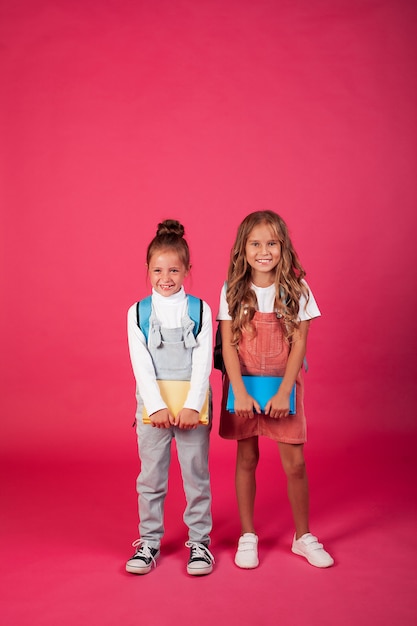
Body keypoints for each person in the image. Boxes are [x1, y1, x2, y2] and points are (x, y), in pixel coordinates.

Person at [218, 210, 333, 569]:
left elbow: (299, 345)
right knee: (247, 459)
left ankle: (303, 537)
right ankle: (248, 534)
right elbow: (228, 346)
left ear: (283, 247)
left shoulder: (297, 289)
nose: (263, 250)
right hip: (244, 389)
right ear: (243, 248)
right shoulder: (232, 290)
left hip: (283, 386)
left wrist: (285, 392)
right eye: (255, 243)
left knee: (295, 464)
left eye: (271, 243)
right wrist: (239, 391)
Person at [126, 219, 214, 576]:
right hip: (153, 408)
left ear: (188, 270)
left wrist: (193, 404)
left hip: (192, 406)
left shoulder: (201, 310)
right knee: (151, 477)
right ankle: (148, 540)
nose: (166, 277)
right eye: (158, 269)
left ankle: (200, 542)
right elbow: (141, 364)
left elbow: (203, 360)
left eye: (174, 269)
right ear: (147, 271)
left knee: (196, 475)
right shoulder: (137, 313)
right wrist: (156, 406)